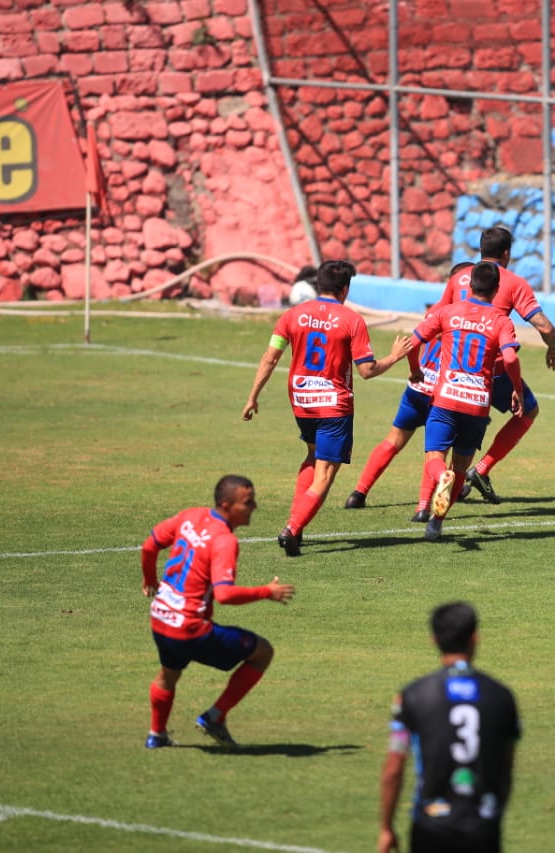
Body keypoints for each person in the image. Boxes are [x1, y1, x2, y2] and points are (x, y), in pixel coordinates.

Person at [242, 260, 411, 556]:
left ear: (318, 285)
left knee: (311, 454)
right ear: (345, 289)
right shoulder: (351, 320)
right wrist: (395, 356)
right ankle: (292, 529)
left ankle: (298, 525)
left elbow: (270, 358)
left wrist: (253, 396)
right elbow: (367, 370)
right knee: (325, 474)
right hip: (334, 405)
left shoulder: (292, 315)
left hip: (302, 401)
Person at [140, 474, 296, 749]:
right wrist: (266, 592)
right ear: (226, 505)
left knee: (168, 675)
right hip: (189, 629)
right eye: (248, 502)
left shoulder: (189, 516)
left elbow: (150, 545)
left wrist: (150, 580)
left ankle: (156, 735)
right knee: (262, 653)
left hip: (161, 619)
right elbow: (223, 594)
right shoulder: (224, 541)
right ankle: (215, 716)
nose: (254, 507)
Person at [378, 602, 521, 853]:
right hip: (482, 825)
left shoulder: (412, 696)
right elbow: (506, 771)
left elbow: (393, 770)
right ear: (475, 638)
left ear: (434, 639)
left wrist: (387, 827)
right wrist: (492, 815)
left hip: (431, 826)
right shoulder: (502, 697)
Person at [342, 262, 473, 523]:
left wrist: (415, 371)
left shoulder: (434, 311)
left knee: (392, 441)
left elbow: (412, 345)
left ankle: (358, 493)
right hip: (444, 394)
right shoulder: (471, 316)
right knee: (436, 451)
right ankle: (423, 507)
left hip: (417, 388)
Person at [407, 261, 524, 541]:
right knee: (460, 466)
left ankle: (440, 478)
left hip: (446, 400)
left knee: (435, 457)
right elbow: (510, 357)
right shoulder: (501, 320)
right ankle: (436, 523)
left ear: (470, 285)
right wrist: (516, 389)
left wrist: (415, 370)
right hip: (476, 405)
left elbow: (413, 342)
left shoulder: (448, 312)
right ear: (496, 290)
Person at [452, 226, 555, 505]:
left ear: (480, 251)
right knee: (528, 410)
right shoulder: (511, 282)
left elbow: (436, 314)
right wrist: (553, 348)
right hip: (492, 369)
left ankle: (437, 490)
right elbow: (543, 325)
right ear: (506, 254)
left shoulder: (460, 277)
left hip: (453, 366)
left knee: (449, 425)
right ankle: (481, 468)